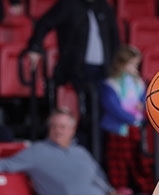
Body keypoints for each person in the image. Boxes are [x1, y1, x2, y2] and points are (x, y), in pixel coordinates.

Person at [0, 108, 148, 195]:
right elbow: (6, 164)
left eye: (62, 127)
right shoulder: (36, 151)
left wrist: (112, 193)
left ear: (72, 130)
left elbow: (99, 179)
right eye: (54, 126)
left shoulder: (81, 152)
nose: (58, 131)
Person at [25, 0, 120, 151]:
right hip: (76, 70)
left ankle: (99, 158)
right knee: (84, 116)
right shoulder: (68, 5)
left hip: (103, 72)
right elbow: (44, 23)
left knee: (101, 117)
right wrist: (35, 47)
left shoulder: (103, 8)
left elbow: (114, 39)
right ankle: (81, 151)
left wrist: (116, 68)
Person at [99, 44, 154, 195]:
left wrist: (140, 112)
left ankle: (145, 189)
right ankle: (119, 188)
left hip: (135, 129)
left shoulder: (139, 83)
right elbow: (112, 107)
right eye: (132, 64)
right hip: (118, 129)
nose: (135, 67)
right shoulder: (111, 84)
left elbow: (144, 102)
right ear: (122, 64)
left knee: (139, 159)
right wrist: (131, 118)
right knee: (118, 161)